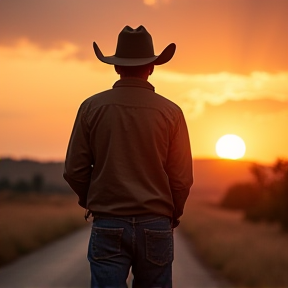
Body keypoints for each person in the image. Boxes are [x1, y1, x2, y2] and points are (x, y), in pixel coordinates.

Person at [63, 25, 193, 288]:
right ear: (152, 67)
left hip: (108, 221)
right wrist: (173, 212)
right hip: (156, 223)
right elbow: (181, 178)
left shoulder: (91, 107)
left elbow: (74, 170)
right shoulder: (172, 113)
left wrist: (95, 201)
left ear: (116, 67)